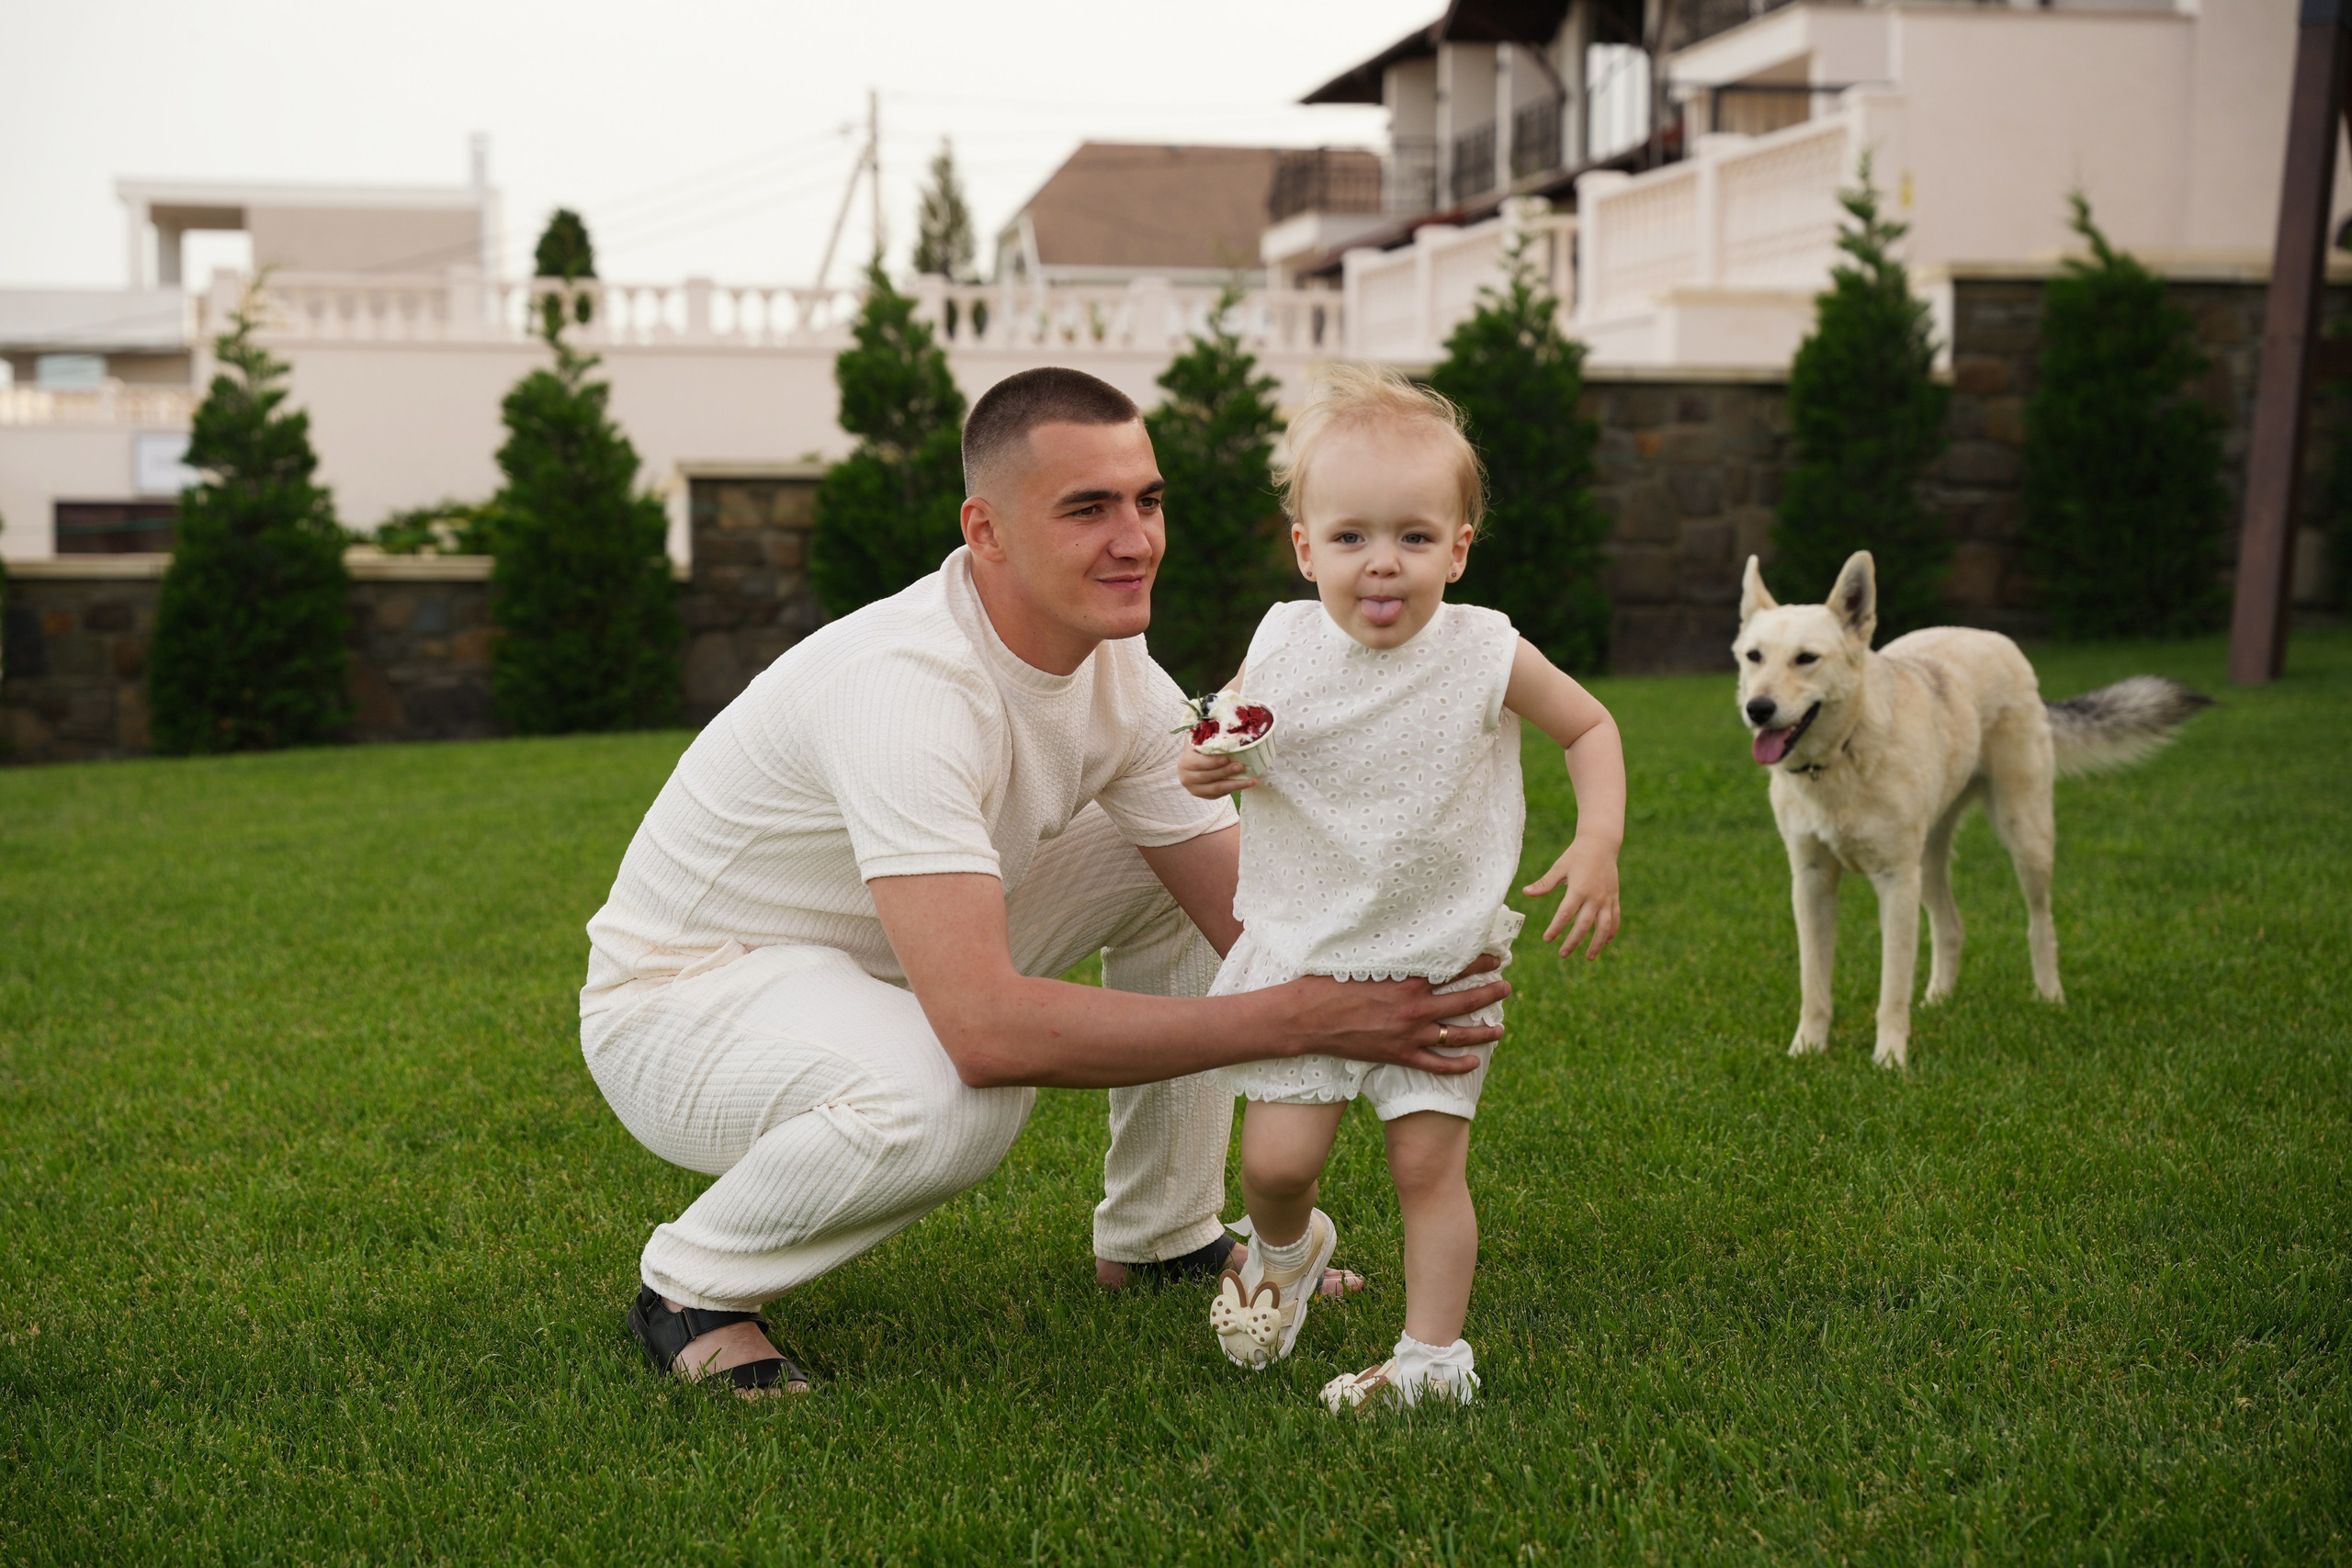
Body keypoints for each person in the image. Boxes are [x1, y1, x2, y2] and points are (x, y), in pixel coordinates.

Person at [579, 367, 1514, 1396]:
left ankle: (1163, 1236)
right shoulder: (906, 688)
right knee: (960, 1096)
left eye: (1146, 500)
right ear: (987, 531)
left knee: (1170, 858)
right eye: (1087, 509)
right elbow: (988, 1033)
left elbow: (1246, 910)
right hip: (686, 1006)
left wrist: (1407, 986)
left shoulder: (1112, 661)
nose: (1135, 538)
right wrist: (1301, 1018)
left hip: (883, 961)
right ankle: (689, 1287)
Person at [1180, 366, 1626, 1413]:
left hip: (1439, 963)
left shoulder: (1485, 651)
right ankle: (1285, 1251)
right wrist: (1204, 762)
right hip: (1306, 950)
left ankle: (1432, 1363)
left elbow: (1590, 726)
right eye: (1350, 538)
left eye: (1415, 538)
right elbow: (1224, 731)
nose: (1382, 564)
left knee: (1428, 1170)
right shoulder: (1281, 641)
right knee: (1277, 1167)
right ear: (1305, 548)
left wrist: (1598, 835)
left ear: (1458, 548)